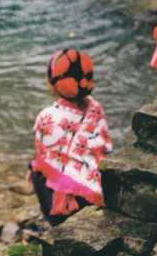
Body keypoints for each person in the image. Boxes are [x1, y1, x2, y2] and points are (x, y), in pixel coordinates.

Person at [26, 48, 112, 226]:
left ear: (53, 84)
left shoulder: (47, 117)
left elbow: (44, 154)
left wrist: (31, 166)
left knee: (36, 168)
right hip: (98, 188)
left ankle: (56, 221)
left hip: (72, 200)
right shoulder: (96, 107)